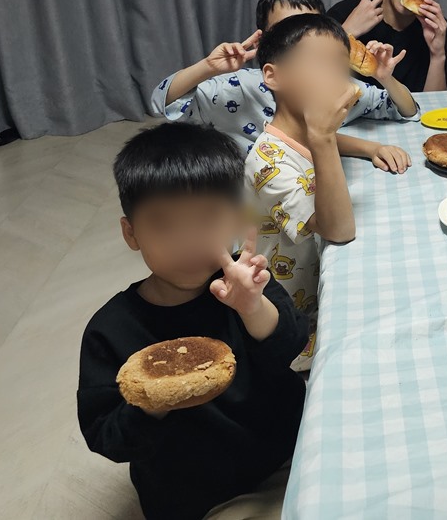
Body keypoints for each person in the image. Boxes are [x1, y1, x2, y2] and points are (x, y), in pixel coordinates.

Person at [78, 124, 309, 520]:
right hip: (196, 493)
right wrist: (155, 401)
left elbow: (291, 346)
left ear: (235, 219)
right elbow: (106, 436)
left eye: (207, 218)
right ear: (131, 233)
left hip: (288, 450)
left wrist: (251, 307)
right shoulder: (111, 330)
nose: (187, 242)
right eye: (163, 224)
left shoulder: (245, 283)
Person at [151, 0, 417, 169]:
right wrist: (208, 67)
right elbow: (164, 102)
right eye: (288, 32)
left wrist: (383, 77)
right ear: (264, 41)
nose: (303, 44)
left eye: (311, 29)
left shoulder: (339, 88)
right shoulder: (238, 88)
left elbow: (405, 109)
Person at [244, 13, 367, 369]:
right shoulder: (267, 162)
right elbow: (339, 230)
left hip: (322, 280)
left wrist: (368, 147)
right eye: (319, 64)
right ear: (273, 76)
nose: (335, 78)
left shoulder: (306, 134)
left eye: (340, 66)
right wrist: (324, 136)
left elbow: (327, 144)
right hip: (293, 321)